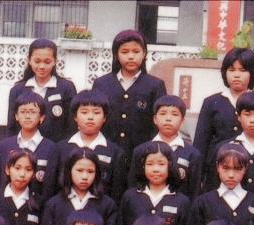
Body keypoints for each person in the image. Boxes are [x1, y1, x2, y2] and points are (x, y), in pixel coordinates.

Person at [194, 48, 254, 181]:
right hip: (217, 170)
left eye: (242, 70)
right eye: (231, 70)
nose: (237, 75)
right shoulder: (211, 102)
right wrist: (200, 178)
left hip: (252, 170)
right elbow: (200, 144)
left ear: (252, 73)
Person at [91, 29, 167, 162]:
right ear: (117, 54)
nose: (131, 56)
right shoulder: (101, 84)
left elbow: (159, 123)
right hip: (106, 155)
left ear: (144, 53)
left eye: (136, 51)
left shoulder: (155, 85)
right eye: (125, 52)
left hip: (142, 156)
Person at [39, 147, 118, 225]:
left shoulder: (107, 205)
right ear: (69, 170)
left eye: (90, 171)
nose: (85, 176)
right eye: (79, 170)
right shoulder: (54, 204)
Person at [117, 141, 190, 225]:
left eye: (161, 164)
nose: (156, 169)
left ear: (170, 166)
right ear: (142, 166)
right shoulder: (130, 197)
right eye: (150, 164)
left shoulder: (181, 201)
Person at [48, 90, 127, 204]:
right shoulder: (59, 149)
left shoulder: (116, 153)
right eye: (84, 112)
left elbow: (116, 196)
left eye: (96, 112)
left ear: (104, 117)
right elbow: (50, 190)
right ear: (75, 116)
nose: (90, 117)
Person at [127, 95, 203, 200]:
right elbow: (132, 188)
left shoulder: (192, 154)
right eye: (163, 114)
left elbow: (194, 193)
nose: (168, 119)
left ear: (182, 120)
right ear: (155, 119)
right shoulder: (140, 150)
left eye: (174, 114)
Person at [0, 92, 57, 201]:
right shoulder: (5, 145)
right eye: (23, 112)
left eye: (33, 112)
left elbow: (51, 186)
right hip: (6, 205)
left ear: (42, 117)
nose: (27, 116)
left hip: (37, 208)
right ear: (16, 116)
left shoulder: (51, 148)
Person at [7, 39, 77, 143]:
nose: (42, 66)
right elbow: (11, 127)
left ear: (55, 61)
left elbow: (72, 127)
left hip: (56, 149)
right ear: (29, 60)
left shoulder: (66, 88)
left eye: (47, 62)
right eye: (37, 61)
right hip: (24, 149)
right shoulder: (18, 90)